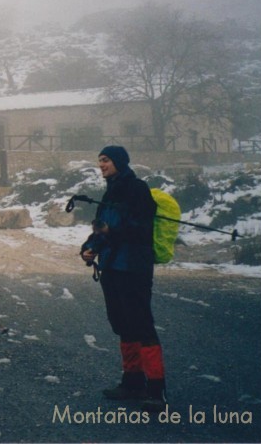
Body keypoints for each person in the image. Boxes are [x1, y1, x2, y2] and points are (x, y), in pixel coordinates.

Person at [79, 145, 166, 411]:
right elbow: (101, 228)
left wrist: (111, 232)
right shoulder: (110, 191)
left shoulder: (137, 189)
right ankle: (132, 382)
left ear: (119, 162)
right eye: (100, 161)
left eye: (106, 160)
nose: (102, 165)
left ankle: (155, 390)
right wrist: (89, 247)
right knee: (122, 323)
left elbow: (141, 227)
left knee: (141, 323)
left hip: (133, 267)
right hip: (113, 266)